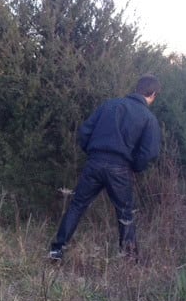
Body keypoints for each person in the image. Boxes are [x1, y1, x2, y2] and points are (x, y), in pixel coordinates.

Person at [48, 74, 162, 261]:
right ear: (153, 94)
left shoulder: (109, 105)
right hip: (120, 168)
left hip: (94, 162)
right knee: (125, 213)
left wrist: (92, 153)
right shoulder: (148, 118)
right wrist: (135, 167)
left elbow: (85, 131)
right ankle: (128, 258)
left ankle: (57, 250)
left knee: (77, 205)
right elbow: (150, 152)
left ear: (137, 88)